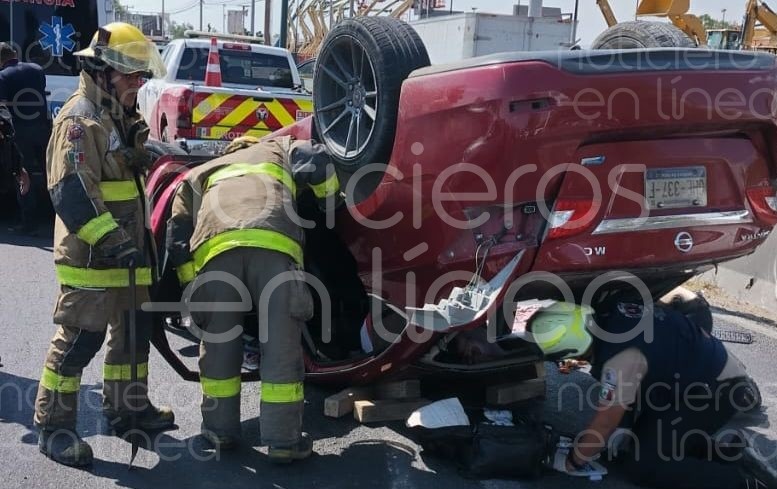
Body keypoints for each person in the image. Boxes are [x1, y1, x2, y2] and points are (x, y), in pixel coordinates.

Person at [33, 22, 173, 467]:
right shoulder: (80, 119)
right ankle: (53, 428)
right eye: (131, 73)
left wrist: (133, 157)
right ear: (101, 71)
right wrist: (114, 241)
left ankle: (127, 410)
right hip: (93, 257)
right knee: (78, 344)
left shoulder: (116, 113)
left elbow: (113, 178)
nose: (140, 82)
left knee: (132, 340)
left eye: (141, 74)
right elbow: (72, 192)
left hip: (127, 257)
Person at [165, 135, 341, 463]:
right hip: (274, 244)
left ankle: (220, 431)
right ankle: (284, 440)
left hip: (215, 251)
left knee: (219, 344)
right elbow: (318, 159)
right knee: (280, 344)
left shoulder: (202, 171)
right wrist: (332, 206)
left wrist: (192, 285)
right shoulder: (279, 146)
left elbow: (176, 230)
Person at [531, 292, 774, 489]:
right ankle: (723, 451)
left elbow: (604, 423)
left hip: (717, 390)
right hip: (701, 377)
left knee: (645, 468)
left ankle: (744, 483)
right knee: (638, 444)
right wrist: (623, 427)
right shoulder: (616, 310)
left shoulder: (619, 361)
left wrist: (574, 459)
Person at [0, 42, 49, 235]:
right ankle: (56, 215)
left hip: (20, 133)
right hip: (42, 129)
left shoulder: (3, 76)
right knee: (49, 173)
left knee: (23, 175)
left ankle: (29, 223)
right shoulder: (37, 69)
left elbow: (2, 107)